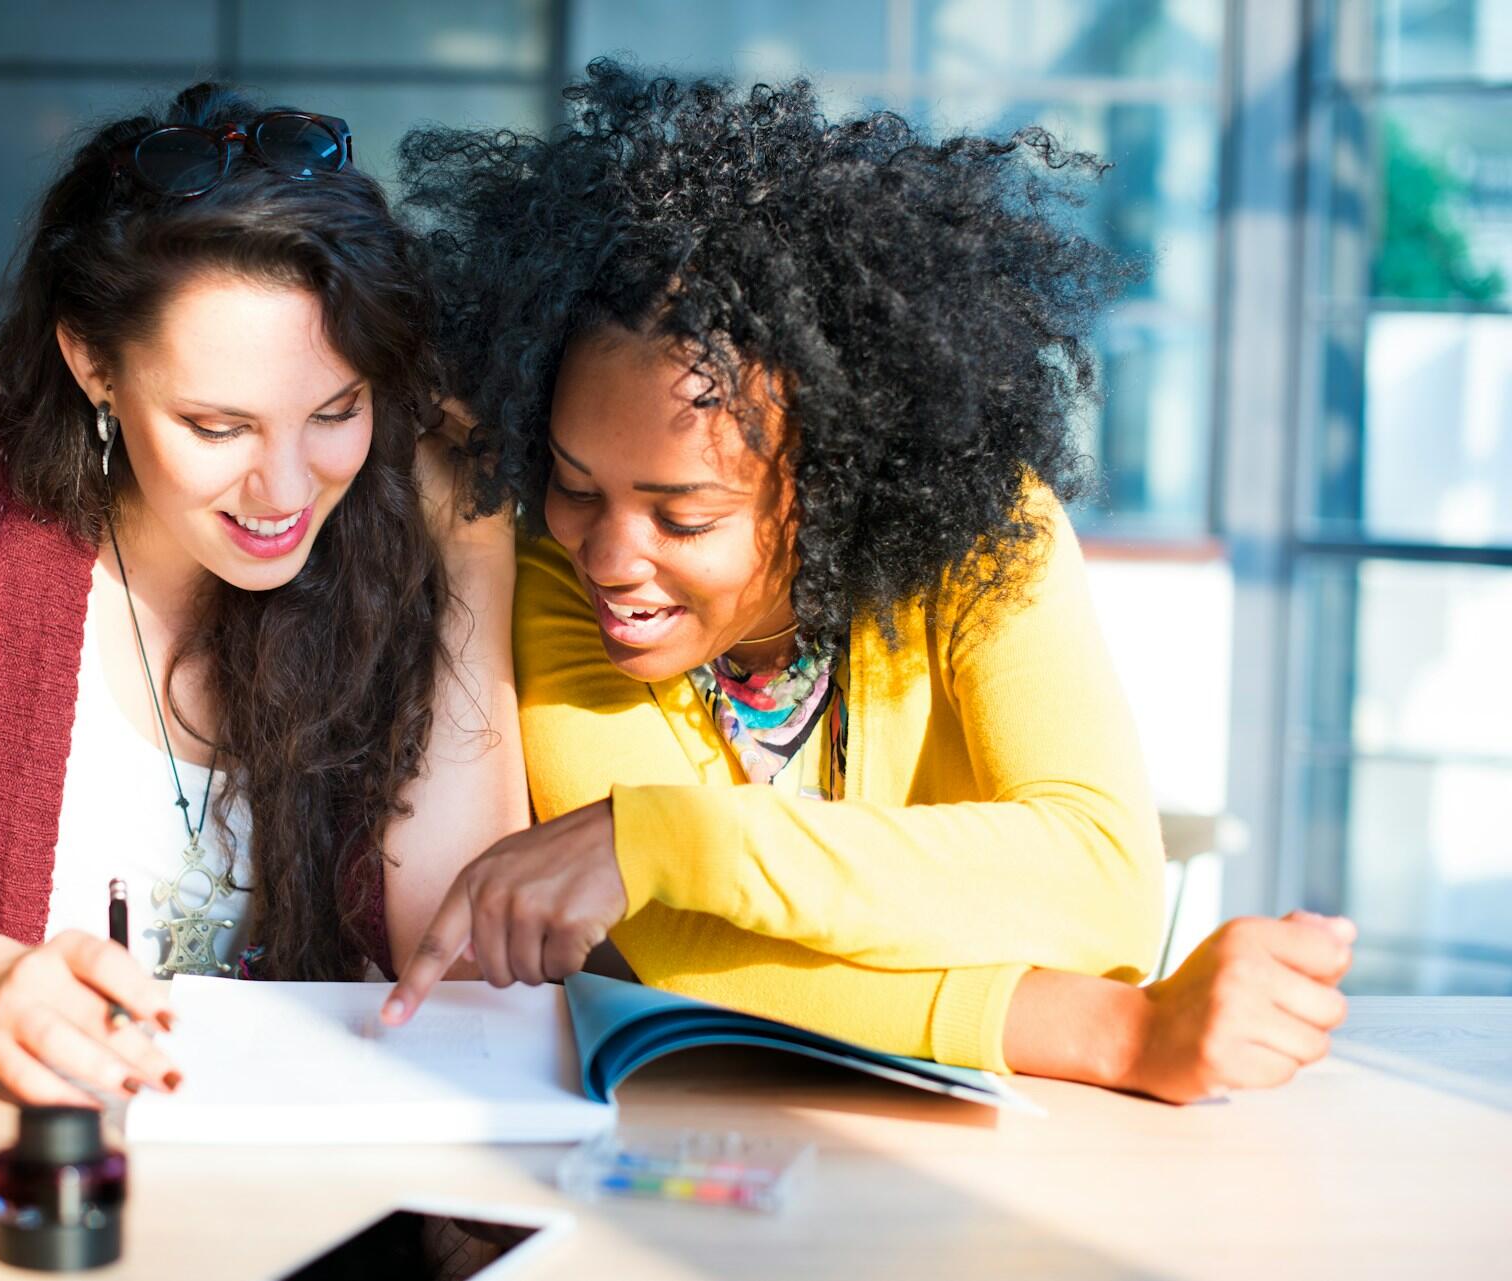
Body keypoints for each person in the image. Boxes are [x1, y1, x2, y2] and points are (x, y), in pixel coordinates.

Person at [382, 62, 1354, 1104]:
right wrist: (1117, 1035)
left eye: (686, 516)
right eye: (574, 486)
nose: (610, 559)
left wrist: (661, 835)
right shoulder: (556, 579)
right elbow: (687, 954)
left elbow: (1102, 886)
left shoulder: (991, 538)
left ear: (839, 483)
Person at [0, 83, 524, 1106]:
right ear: (92, 363)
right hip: (7, 1185)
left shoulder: (382, 537)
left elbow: (463, 967)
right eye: (219, 427)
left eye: (337, 411)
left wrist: (474, 559)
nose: (290, 489)